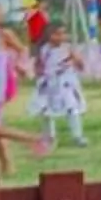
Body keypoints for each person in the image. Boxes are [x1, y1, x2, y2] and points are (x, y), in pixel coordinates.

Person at [0, 3, 28, 174]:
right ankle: (6, 165)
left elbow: (22, 49)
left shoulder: (3, 35)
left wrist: (19, 65)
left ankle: (32, 139)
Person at [32, 23, 87, 151]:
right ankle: (49, 136)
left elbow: (80, 64)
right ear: (49, 35)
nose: (61, 37)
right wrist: (40, 76)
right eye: (57, 34)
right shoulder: (43, 49)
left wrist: (75, 62)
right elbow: (39, 65)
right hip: (50, 84)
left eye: (63, 33)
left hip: (66, 84)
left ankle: (77, 135)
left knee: (72, 108)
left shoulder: (68, 48)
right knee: (46, 110)